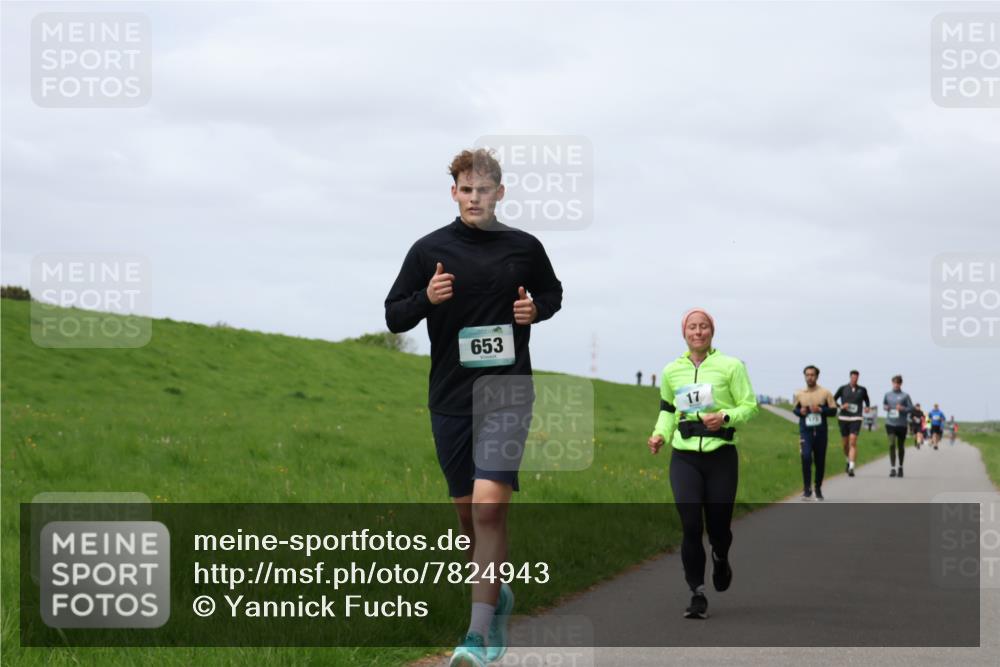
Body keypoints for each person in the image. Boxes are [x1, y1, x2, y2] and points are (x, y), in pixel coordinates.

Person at [384, 148, 563, 667]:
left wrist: (536, 310)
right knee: (468, 513)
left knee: (489, 505)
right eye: (466, 189)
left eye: (484, 190)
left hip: (507, 390)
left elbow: (551, 294)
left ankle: (477, 635)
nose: (475, 198)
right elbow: (395, 315)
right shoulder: (428, 250)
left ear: (499, 193)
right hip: (450, 398)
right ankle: (497, 593)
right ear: (454, 193)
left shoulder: (524, 247)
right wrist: (428, 300)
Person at [647, 309, 759, 620]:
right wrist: (659, 435)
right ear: (684, 332)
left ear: (712, 331)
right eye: (692, 327)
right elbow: (668, 410)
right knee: (691, 524)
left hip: (721, 454)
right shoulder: (672, 370)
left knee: (719, 526)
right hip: (684, 456)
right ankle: (696, 592)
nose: (698, 332)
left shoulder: (731, 366)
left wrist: (725, 417)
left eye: (704, 327)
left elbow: (749, 406)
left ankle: (721, 556)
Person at [793, 366, 838, 500]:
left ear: (817, 376)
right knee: (806, 457)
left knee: (820, 461)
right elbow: (794, 409)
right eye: (807, 375)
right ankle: (807, 490)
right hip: (805, 431)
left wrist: (821, 410)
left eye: (812, 375)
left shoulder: (825, 393)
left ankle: (817, 488)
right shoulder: (799, 393)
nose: (809, 377)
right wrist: (800, 412)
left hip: (820, 432)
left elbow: (834, 411)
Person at [833, 370, 870, 477]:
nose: (855, 379)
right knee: (845, 444)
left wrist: (867, 407)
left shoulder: (862, 390)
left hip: (856, 418)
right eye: (853, 377)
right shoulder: (843, 388)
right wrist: (840, 406)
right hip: (843, 418)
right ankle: (848, 460)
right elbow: (832, 400)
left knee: (852, 441)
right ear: (850, 377)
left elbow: (867, 400)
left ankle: (852, 467)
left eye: (856, 378)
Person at [883, 375, 914, 478]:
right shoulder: (887, 395)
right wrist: (886, 407)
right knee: (892, 444)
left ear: (901, 384)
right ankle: (892, 468)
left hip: (901, 424)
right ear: (892, 383)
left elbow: (911, 408)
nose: (896, 385)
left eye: (898, 383)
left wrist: (902, 408)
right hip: (890, 423)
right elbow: (884, 405)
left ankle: (900, 467)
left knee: (900, 446)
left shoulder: (905, 396)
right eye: (894, 383)